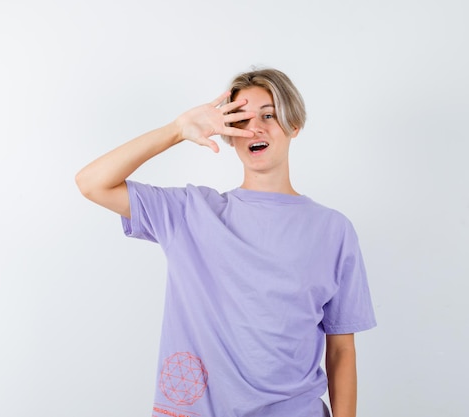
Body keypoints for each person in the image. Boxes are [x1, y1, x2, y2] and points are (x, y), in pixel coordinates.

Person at [75, 68, 376, 417]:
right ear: (230, 135)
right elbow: (92, 183)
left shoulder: (333, 230)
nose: (256, 128)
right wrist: (176, 131)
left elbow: (341, 349)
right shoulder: (190, 212)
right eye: (242, 120)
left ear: (294, 125)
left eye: (269, 115)